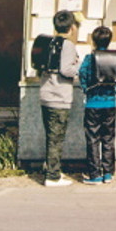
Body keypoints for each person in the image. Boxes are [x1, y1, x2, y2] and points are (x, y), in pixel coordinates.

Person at [77, 25, 116, 184]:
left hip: (93, 104)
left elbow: (82, 73)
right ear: (109, 41)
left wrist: (86, 88)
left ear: (93, 41)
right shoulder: (115, 58)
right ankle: (108, 173)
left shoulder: (90, 58)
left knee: (93, 138)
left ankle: (95, 174)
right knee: (108, 138)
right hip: (110, 103)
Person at [35, 10, 81, 187]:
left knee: (50, 135)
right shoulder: (68, 45)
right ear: (71, 27)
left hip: (46, 93)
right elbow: (67, 70)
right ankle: (53, 176)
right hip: (59, 96)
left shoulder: (49, 42)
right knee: (56, 138)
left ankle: (51, 169)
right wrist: (78, 66)